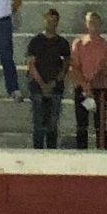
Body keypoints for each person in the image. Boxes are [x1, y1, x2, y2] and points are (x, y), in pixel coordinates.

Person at [25, 8, 73, 150]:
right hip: (37, 88)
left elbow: (65, 64)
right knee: (38, 123)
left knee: (53, 123)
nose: (51, 23)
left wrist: (54, 83)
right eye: (49, 20)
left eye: (54, 21)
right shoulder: (36, 41)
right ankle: (38, 151)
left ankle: (52, 151)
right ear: (44, 20)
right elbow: (30, 64)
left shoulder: (62, 42)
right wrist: (42, 84)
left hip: (55, 89)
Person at [69, 9, 107, 151]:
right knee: (81, 124)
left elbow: (106, 68)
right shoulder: (79, 44)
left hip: (100, 89)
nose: (93, 25)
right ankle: (81, 152)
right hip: (82, 89)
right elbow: (74, 67)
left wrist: (93, 84)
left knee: (100, 125)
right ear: (86, 24)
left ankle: (102, 151)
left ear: (100, 24)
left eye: (95, 22)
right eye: (90, 22)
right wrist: (85, 86)